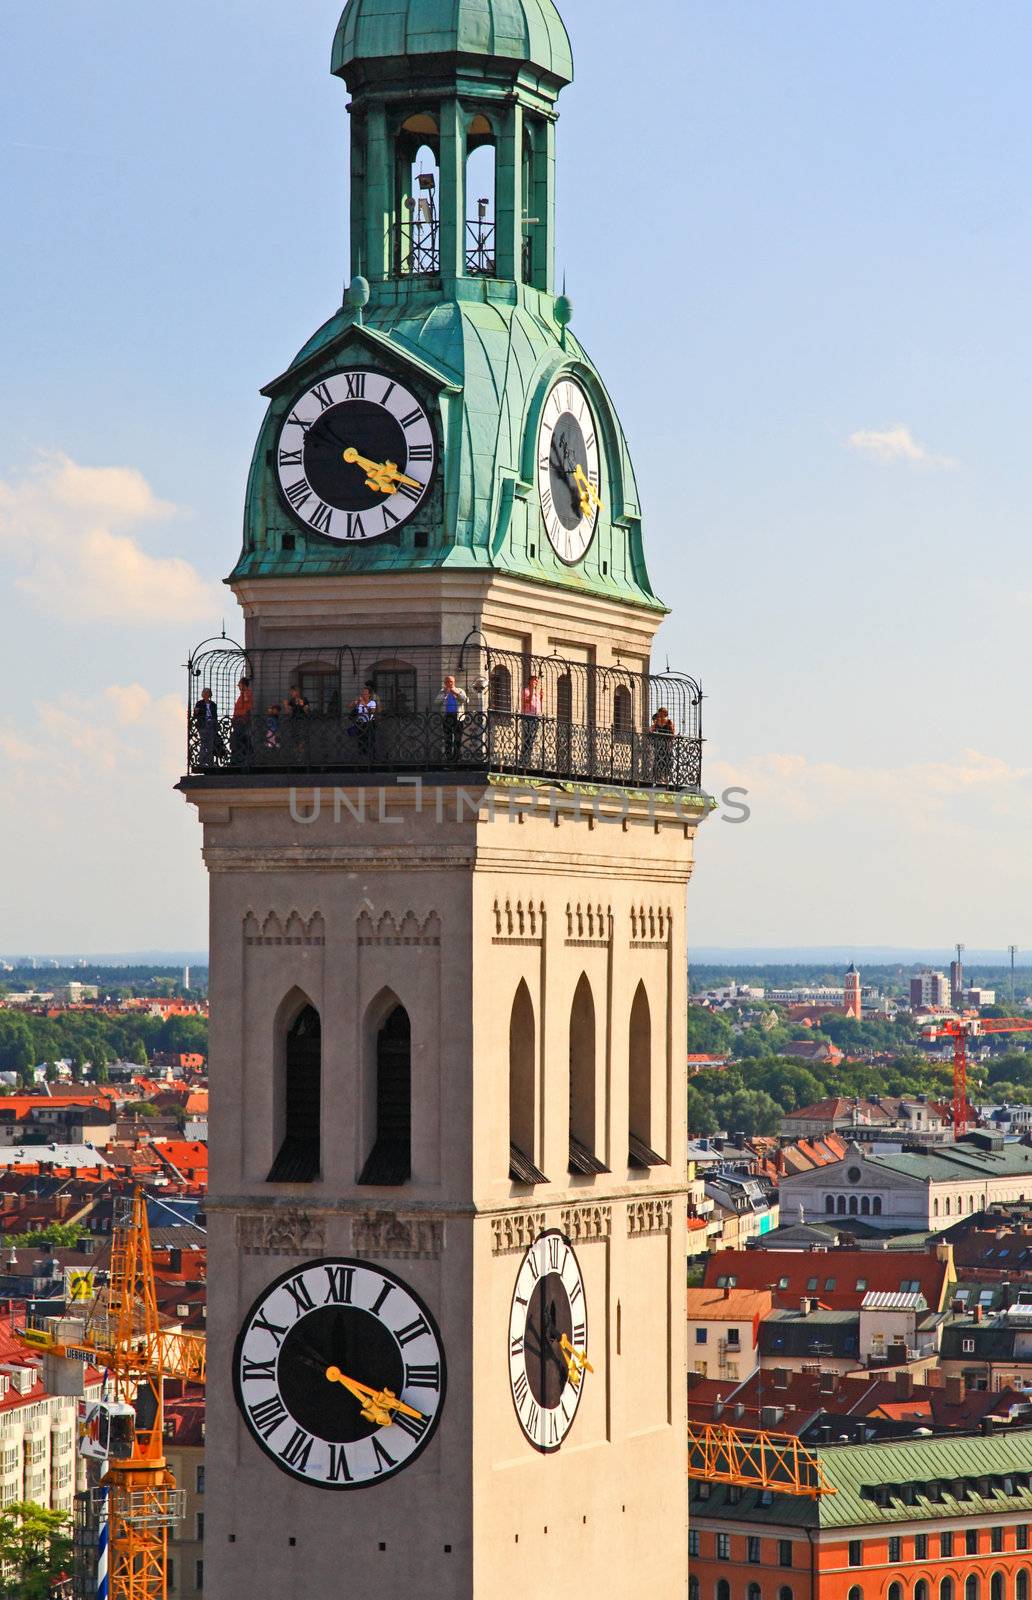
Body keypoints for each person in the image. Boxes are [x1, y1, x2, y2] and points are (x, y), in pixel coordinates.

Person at [434, 674, 468, 764]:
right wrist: (445, 694)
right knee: (447, 738)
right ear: (445, 683)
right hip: (447, 716)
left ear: (454, 682)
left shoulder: (459, 690)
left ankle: (456, 758)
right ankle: (449, 758)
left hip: (458, 717)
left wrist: (456, 693)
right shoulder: (442, 691)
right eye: (447, 682)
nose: (449, 683)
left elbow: (465, 700)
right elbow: (436, 702)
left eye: (451, 682)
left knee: (458, 738)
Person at [192, 688, 226, 767]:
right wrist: (195, 712)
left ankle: (210, 762)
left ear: (209, 694)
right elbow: (195, 715)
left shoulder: (213, 704)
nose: (205, 694)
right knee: (204, 743)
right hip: (203, 725)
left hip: (211, 725)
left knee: (210, 744)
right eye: (204, 693)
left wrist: (216, 725)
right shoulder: (199, 703)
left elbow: (215, 716)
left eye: (206, 693)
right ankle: (202, 762)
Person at [230, 677, 254, 765]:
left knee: (240, 739)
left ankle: (241, 759)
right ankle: (243, 758)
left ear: (244, 685)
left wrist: (245, 695)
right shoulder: (243, 694)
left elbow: (248, 706)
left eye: (240, 685)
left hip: (241, 720)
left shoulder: (246, 693)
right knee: (241, 739)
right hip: (238, 720)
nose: (238, 687)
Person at [649, 705, 676, 783]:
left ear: (665, 713)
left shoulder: (669, 722)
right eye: (659, 713)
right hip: (659, 744)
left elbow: (672, 733)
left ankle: (665, 777)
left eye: (661, 713)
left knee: (667, 760)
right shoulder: (657, 722)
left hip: (667, 744)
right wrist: (652, 731)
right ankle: (659, 777)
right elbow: (651, 729)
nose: (659, 714)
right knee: (658, 759)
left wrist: (669, 740)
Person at [350, 683, 378, 756]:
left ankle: (371, 755)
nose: (363, 694)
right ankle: (362, 755)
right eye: (363, 693)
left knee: (370, 740)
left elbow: (372, 711)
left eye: (365, 693)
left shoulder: (372, 702)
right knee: (361, 740)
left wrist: (364, 705)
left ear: (369, 695)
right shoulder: (360, 702)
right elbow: (349, 706)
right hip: (360, 724)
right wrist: (355, 702)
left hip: (369, 724)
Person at [520, 674, 542, 768]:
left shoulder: (536, 693)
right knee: (527, 738)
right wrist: (532, 692)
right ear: (529, 681)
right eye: (534, 681)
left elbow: (538, 705)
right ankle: (523, 760)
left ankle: (527, 760)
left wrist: (540, 697)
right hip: (527, 716)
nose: (535, 682)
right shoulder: (526, 691)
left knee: (532, 739)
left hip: (535, 717)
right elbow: (527, 702)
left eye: (536, 681)